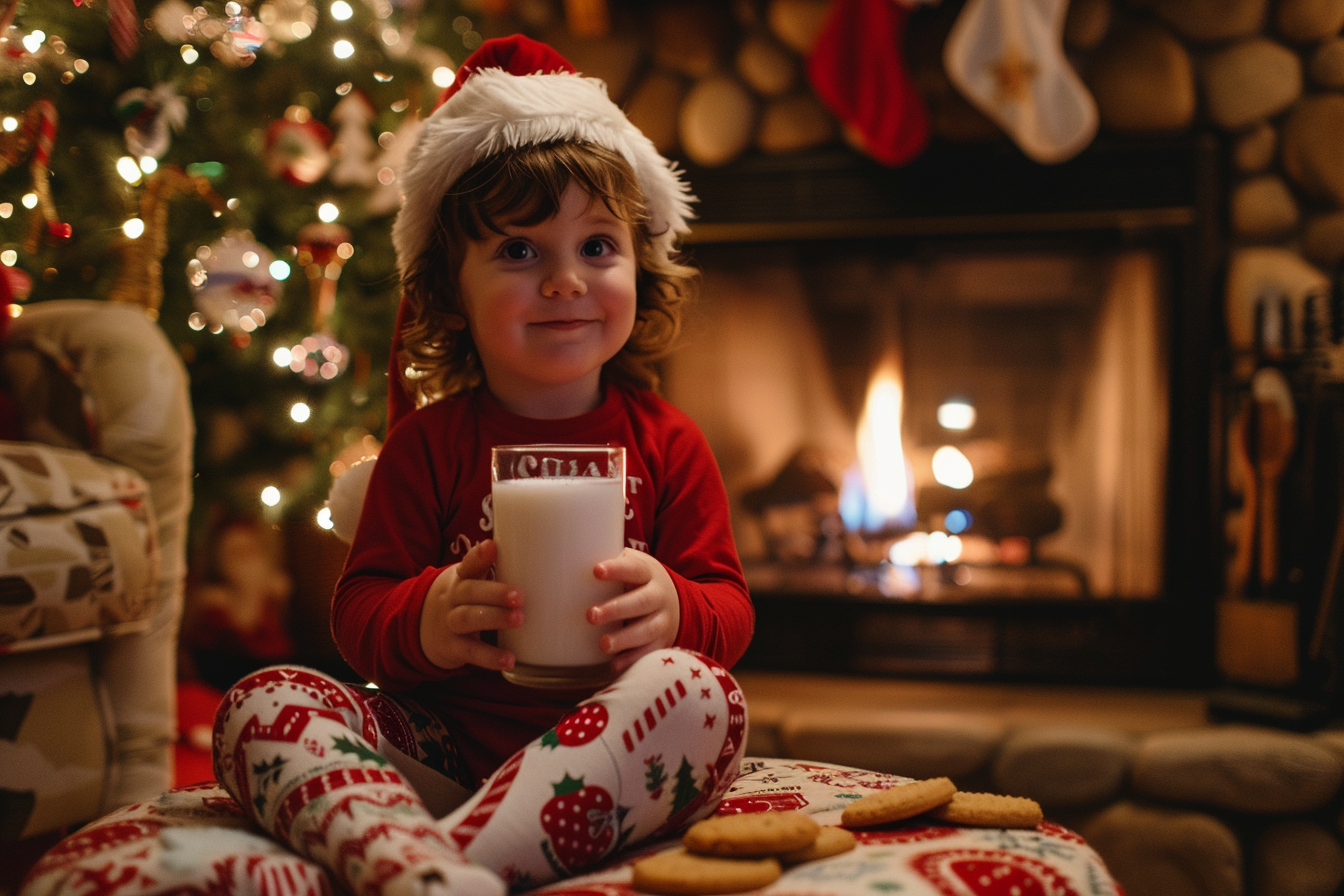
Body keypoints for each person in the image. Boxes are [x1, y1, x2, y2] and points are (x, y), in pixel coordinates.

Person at [212, 34, 754, 896]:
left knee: (703, 693)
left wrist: (674, 607)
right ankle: (422, 854)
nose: (567, 281)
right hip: (445, 755)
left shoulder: (669, 442)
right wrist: (428, 614)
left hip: (615, 755)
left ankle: (444, 864)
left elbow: (728, 610)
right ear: (447, 294)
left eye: (598, 248)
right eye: (519, 250)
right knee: (262, 701)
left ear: (640, 269)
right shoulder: (428, 448)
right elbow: (357, 616)